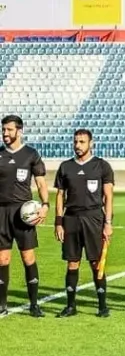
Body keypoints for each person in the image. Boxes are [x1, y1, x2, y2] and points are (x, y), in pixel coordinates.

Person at [53, 129, 115, 318]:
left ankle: (102, 306)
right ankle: (71, 306)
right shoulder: (65, 167)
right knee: (72, 262)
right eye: (76, 142)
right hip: (71, 218)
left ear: (91, 143)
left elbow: (108, 196)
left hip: (94, 217)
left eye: (82, 142)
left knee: (96, 263)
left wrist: (108, 223)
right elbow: (60, 196)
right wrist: (58, 222)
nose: (78, 145)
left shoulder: (102, 166)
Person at [0, 115, 48, 318]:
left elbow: (41, 183)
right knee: (2, 259)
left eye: (9, 130)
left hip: (23, 213)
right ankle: (2, 305)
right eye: (3, 130)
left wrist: (45, 205)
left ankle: (34, 304)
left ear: (19, 131)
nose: (5, 133)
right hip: (1, 212)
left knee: (28, 257)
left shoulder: (31, 154)